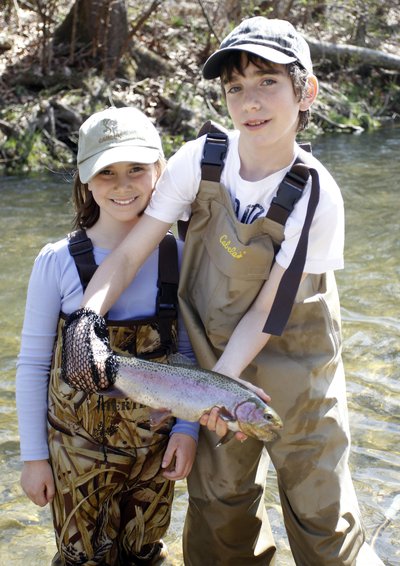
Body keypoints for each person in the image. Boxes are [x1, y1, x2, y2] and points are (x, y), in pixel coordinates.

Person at [60, 18, 384, 566]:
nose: (249, 102)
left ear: (306, 91)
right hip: (211, 356)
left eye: (267, 83)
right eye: (235, 87)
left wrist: (217, 392)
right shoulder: (197, 159)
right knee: (219, 510)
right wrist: (88, 317)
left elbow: (267, 311)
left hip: (298, 370)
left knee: (323, 515)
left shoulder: (316, 193)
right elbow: (134, 249)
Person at [15, 106, 199, 566]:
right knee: (80, 559)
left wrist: (187, 428)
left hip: (153, 454)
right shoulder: (56, 260)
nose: (122, 185)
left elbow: (188, 354)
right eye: (106, 172)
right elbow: (34, 364)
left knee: (145, 554)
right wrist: (35, 457)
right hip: (74, 456)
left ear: (161, 169)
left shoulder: (177, 256)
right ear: (84, 179)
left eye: (137, 169)